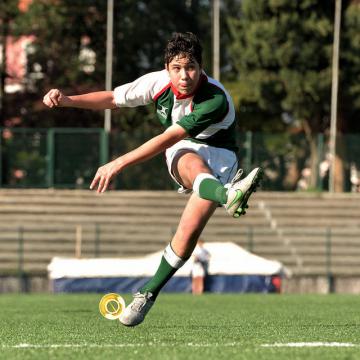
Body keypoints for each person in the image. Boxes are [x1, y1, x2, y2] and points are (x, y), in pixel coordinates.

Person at [43, 32, 262, 326]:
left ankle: (147, 293)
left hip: (222, 154)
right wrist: (67, 99)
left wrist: (118, 162)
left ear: (201, 67)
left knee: (186, 237)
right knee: (189, 160)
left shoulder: (214, 99)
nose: (184, 75)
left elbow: (165, 137)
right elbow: (112, 98)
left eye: (191, 67)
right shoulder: (157, 83)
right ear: (167, 67)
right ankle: (228, 196)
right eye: (177, 68)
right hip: (184, 150)